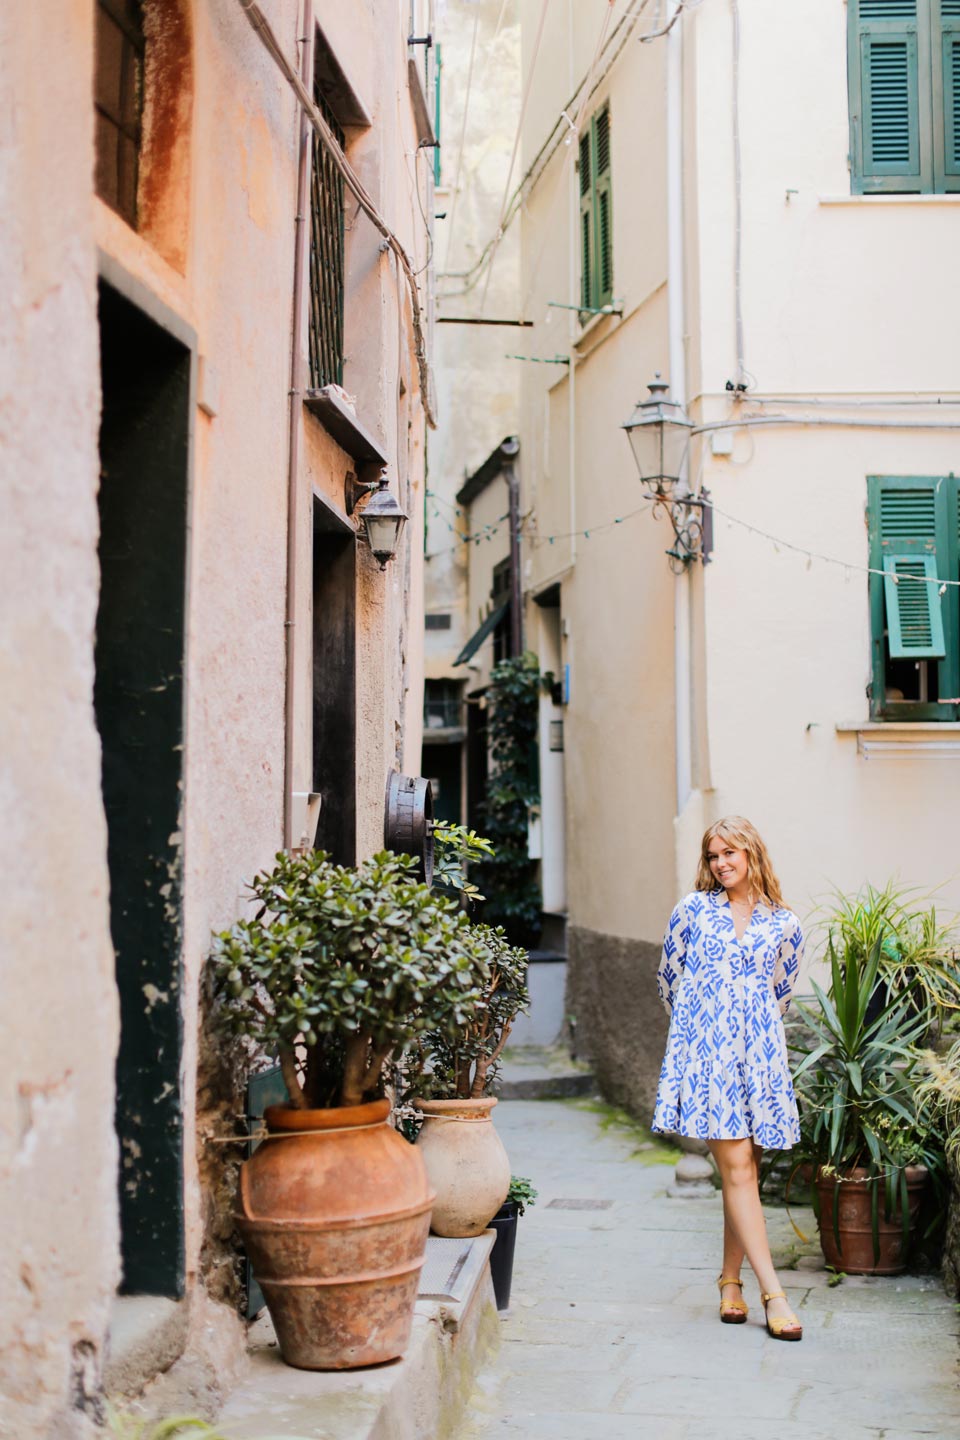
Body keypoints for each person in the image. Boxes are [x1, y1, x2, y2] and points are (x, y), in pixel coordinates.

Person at [652, 816, 805, 1341]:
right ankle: (774, 1293)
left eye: (729, 853)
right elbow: (669, 980)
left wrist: (750, 1033)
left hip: (758, 1058)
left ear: (751, 853)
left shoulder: (784, 923)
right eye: (713, 855)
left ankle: (729, 1281)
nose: (720, 863)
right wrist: (700, 1036)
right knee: (738, 1169)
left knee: (746, 1174)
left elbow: (781, 993)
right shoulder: (692, 911)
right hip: (708, 1055)